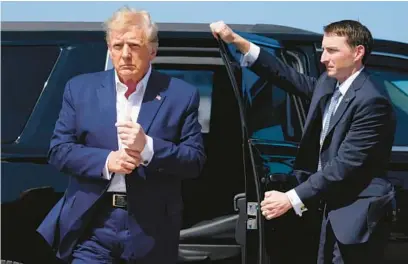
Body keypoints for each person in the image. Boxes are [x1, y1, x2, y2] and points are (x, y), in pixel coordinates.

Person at [210, 20, 396, 263]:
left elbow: (345, 165)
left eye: (332, 50)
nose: (323, 58)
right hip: (329, 210)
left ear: (358, 52)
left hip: (356, 217)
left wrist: (290, 198)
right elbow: (286, 76)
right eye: (323, 50)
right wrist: (236, 41)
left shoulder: (372, 102)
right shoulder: (329, 85)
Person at [37, 6, 206, 264]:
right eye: (117, 46)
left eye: (134, 46)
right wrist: (107, 161)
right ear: (109, 48)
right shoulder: (80, 89)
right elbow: (59, 150)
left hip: (151, 228)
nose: (125, 54)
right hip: (93, 223)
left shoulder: (181, 95)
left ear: (152, 50)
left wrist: (148, 148)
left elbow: (194, 161)